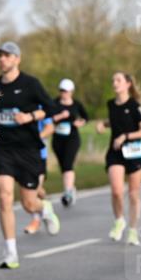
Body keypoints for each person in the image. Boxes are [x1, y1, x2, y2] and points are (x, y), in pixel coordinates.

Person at [0, 41, 60, 270]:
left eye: (7, 55)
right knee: (4, 195)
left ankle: (43, 208)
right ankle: (10, 252)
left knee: (29, 203)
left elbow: (52, 109)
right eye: (0, 55)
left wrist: (30, 117)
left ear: (17, 59)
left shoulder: (31, 84)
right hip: (3, 149)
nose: (2, 59)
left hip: (28, 150)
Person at [95, 71, 141, 245]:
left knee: (134, 194)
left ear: (128, 84)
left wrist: (125, 136)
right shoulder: (111, 104)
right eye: (113, 80)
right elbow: (116, 119)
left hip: (134, 152)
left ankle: (133, 230)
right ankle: (119, 221)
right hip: (115, 153)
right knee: (116, 191)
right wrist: (103, 124)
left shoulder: (135, 106)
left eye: (118, 80)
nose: (114, 83)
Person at [50, 79, 88, 207]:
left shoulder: (76, 104)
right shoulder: (54, 103)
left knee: (68, 164)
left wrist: (80, 122)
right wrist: (60, 116)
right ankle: (71, 187)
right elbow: (48, 118)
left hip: (72, 138)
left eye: (65, 91)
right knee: (63, 166)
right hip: (58, 139)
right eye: (61, 90)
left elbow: (85, 117)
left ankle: (67, 193)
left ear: (71, 92)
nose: (63, 93)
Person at [23, 112, 55, 234]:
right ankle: (45, 208)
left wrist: (35, 139)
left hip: (38, 155)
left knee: (34, 191)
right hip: (19, 155)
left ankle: (36, 219)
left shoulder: (39, 105)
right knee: (36, 190)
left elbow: (50, 127)